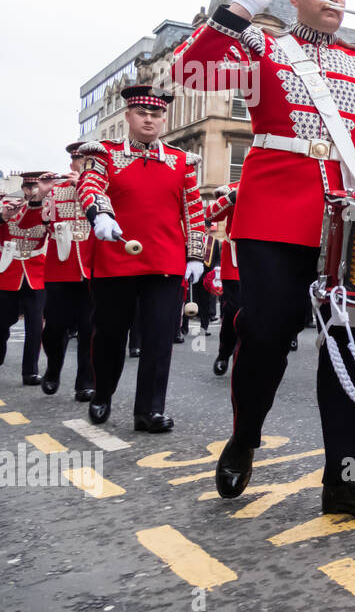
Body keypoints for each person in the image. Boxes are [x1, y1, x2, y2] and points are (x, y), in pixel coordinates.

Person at [172, 0, 355, 517]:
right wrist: (240, 8)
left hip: (343, 217)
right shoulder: (263, 46)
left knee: (348, 345)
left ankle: (345, 478)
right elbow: (188, 72)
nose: (335, 1)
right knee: (266, 331)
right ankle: (246, 436)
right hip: (274, 210)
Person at [77, 86, 206, 431]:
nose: (149, 119)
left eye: (156, 114)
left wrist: (196, 255)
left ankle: (148, 411)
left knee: (159, 338)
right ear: (129, 117)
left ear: (164, 119)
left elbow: (194, 212)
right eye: (142, 113)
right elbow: (89, 185)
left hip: (165, 262)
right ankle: (102, 392)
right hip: (115, 259)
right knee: (110, 335)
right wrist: (99, 214)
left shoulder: (182, 162)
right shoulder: (103, 153)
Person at [39, 146, 95, 400]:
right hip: (61, 267)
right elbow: (41, 223)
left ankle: (85, 382)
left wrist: (84, 184)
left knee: (89, 329)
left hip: (92, 267)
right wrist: (40, 193)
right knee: (54, 328)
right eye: (77, 160)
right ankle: (53, 368)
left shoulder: (102, 190)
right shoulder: (55, 191)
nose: (80, 164)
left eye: (85, 161)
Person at [0, 173, 50, 386]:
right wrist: (2, 217)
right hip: (8, 270)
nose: (32, 191)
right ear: (23, 187)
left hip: (35, 271)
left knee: (35, 326)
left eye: (35, 186)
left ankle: (30, 371)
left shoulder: (49, 208)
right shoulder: (7, 205)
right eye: (28, 187)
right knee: (2, 323)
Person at [205, 182, 240, 375]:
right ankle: (224, 352)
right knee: (233, 309)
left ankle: (243, 355)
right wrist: (229, 198)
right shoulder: (233, 188)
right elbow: (210, 214)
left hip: (262, 257)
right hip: (235, 257)